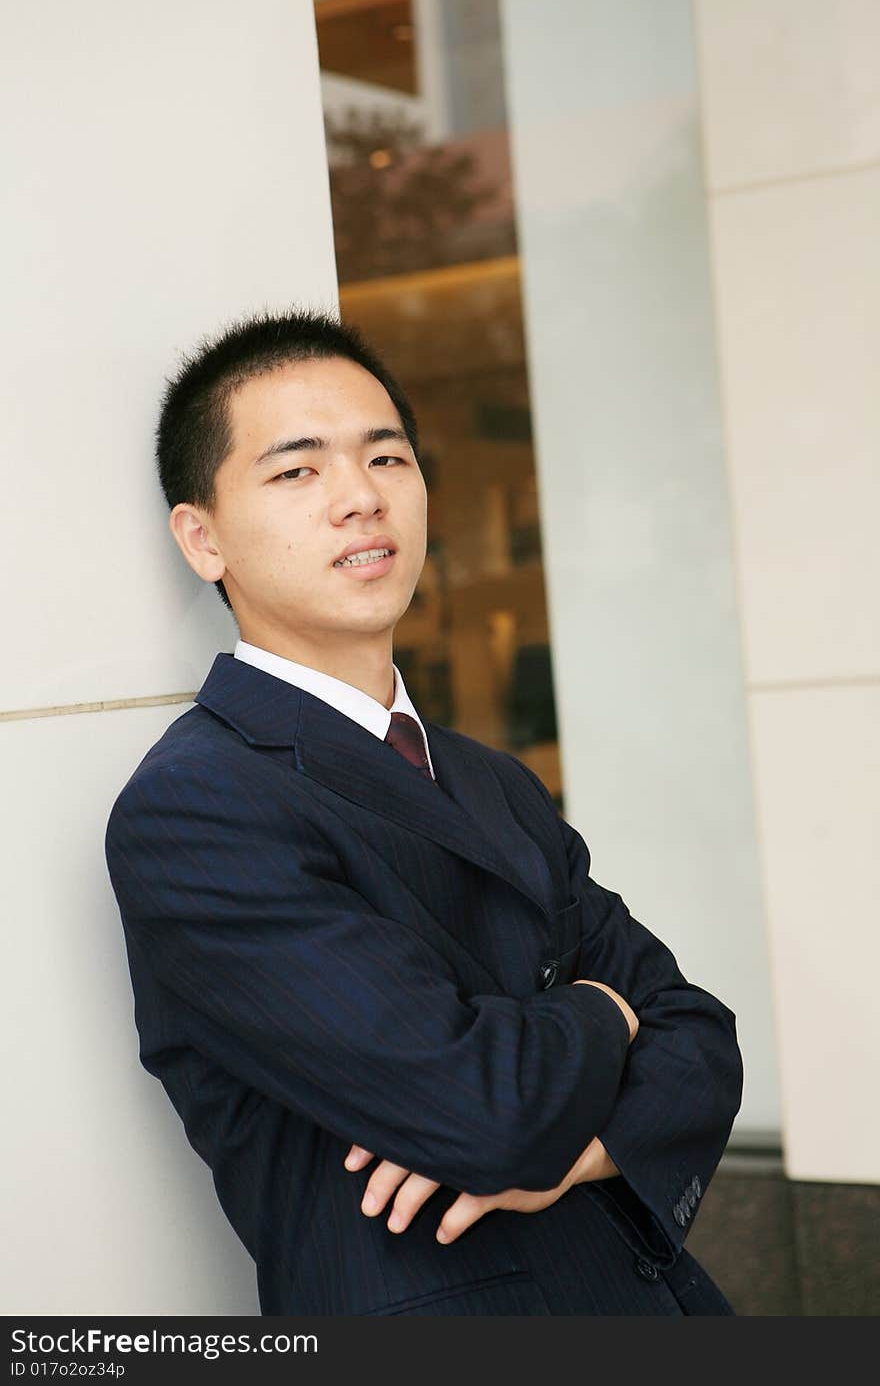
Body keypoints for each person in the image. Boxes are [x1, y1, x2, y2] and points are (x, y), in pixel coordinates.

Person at [104, 307, 744, 1316]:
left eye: (387, 457)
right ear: (202, 536)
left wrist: (577, 1154)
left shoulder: (490, 777)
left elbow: (700, 1037)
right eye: (296, 471)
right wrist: (607, 1011)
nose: (360, 497)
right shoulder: (200, 807)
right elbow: (486, 1113)